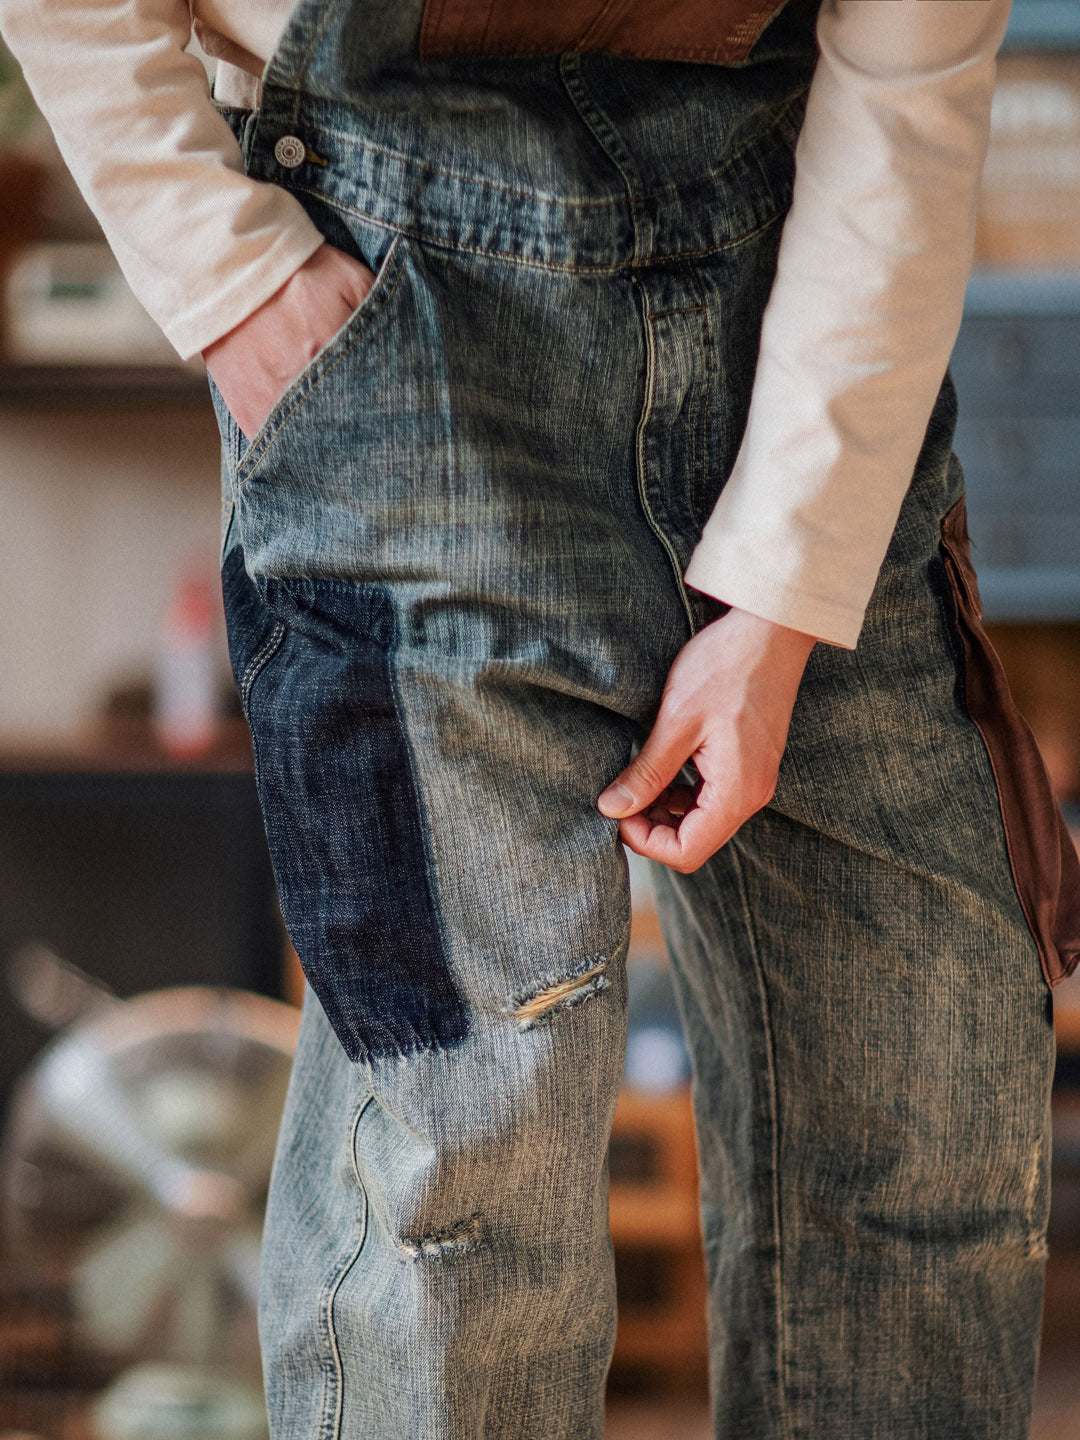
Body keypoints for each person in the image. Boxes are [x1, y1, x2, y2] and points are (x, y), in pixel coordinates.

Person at [3, 0, 1079, 1434]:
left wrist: (783, 599)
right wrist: (237, 282)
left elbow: (912, 68)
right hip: (400, 313)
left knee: (927, 1118)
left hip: (801, 290)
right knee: (461, 1188)